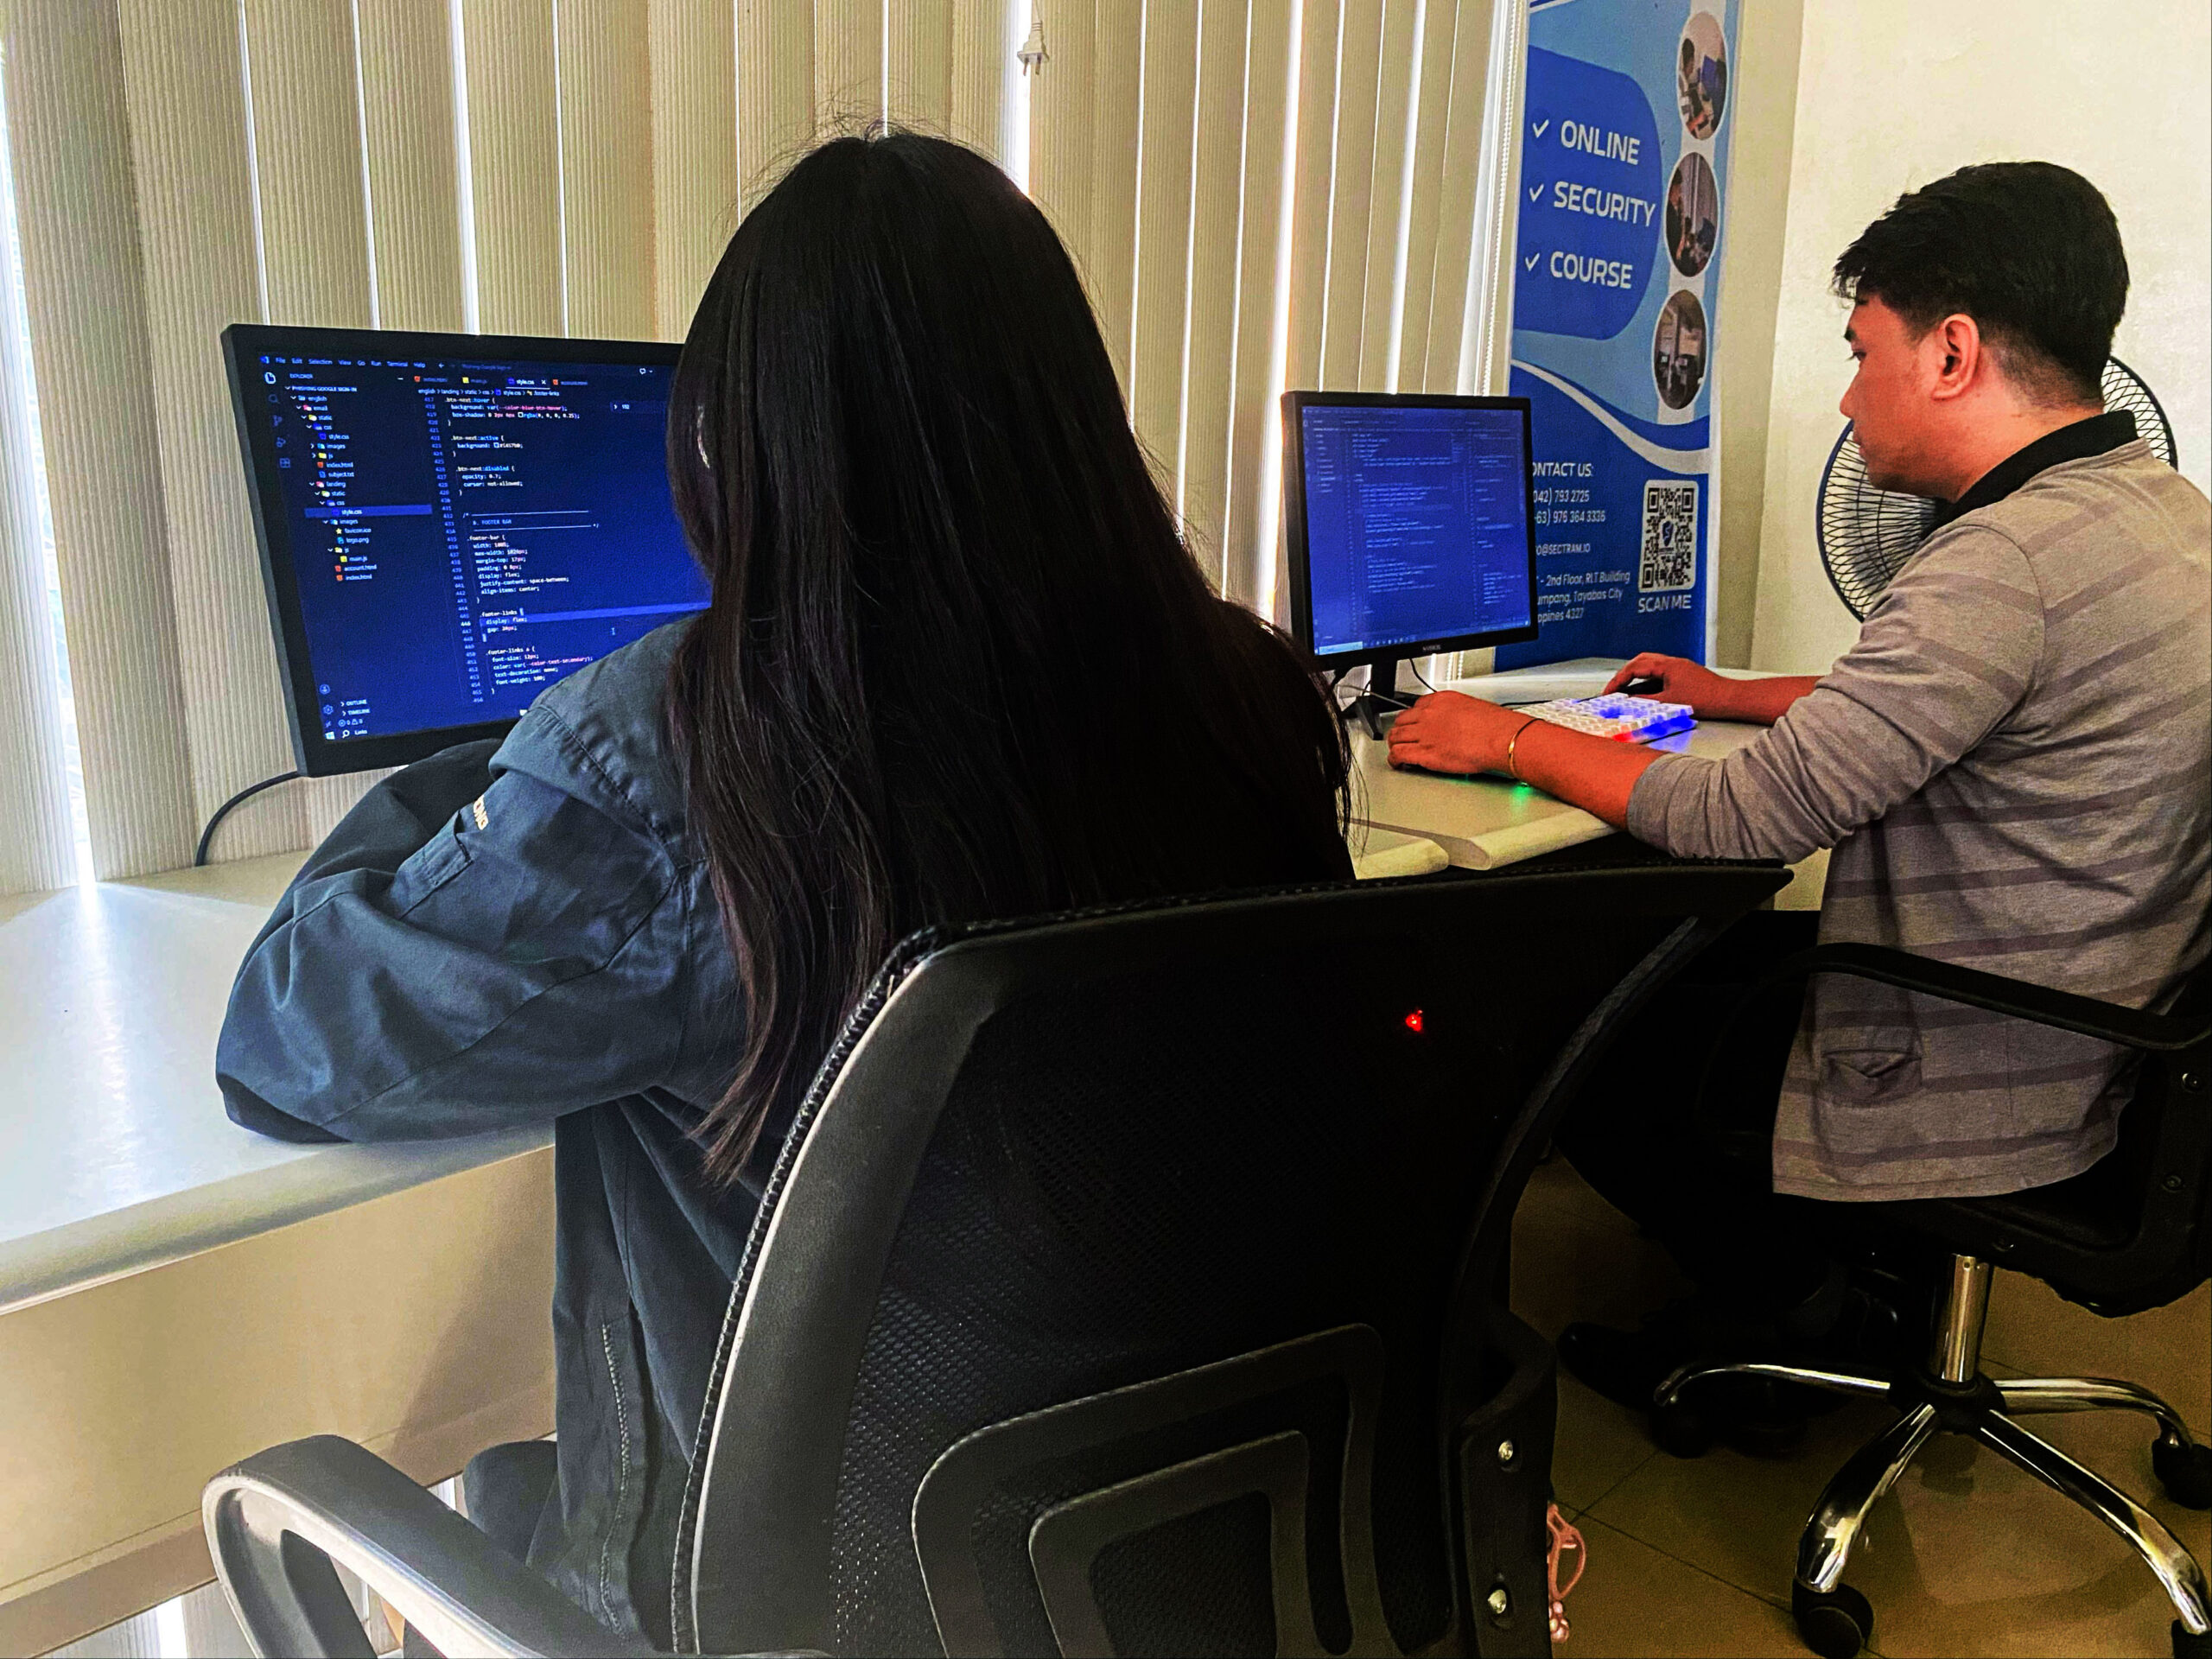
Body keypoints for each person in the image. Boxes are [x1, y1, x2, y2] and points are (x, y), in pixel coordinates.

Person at [216, 132, 1351, 1645]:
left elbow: (293, 1046)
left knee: (487, 1482)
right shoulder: (1248, 706)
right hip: (1187, 1552)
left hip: (814, 1603)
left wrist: (511, 772)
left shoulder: (700, 758)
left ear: (733, 450)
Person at [1388, 161, 2209, 1431]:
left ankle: (1803, 1305)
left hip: (1988, 1054)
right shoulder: (2153, 512)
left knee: (1584, 1036)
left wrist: (1505, 738)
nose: (1844, 392)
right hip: (2110, 1025)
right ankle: (1841, 1285)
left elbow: (1742, 819)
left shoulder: (2000, 560)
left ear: (1949, 353)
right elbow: (1974, 704)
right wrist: (1731, 693)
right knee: (1714, 966)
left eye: (1859, 348)